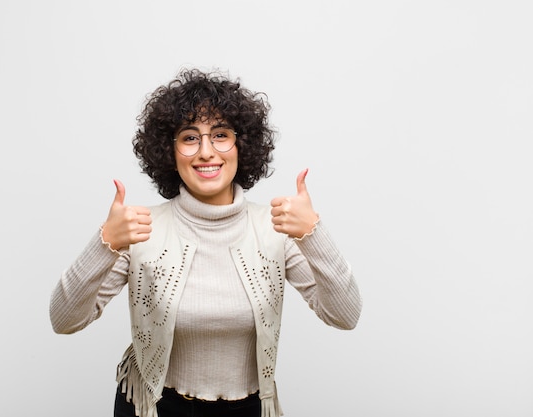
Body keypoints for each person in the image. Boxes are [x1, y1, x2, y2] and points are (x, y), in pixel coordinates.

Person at [49, 68, 362, 417]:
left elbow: (345, 316)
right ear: (170, 150)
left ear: (242, 144)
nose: (206, 152)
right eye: (189, 138)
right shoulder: (139, 229)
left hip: (249, 408)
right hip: (153, 406)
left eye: (221, 135)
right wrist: (104, 242)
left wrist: (313, 233)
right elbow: (64, 320)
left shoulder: (275, 228)